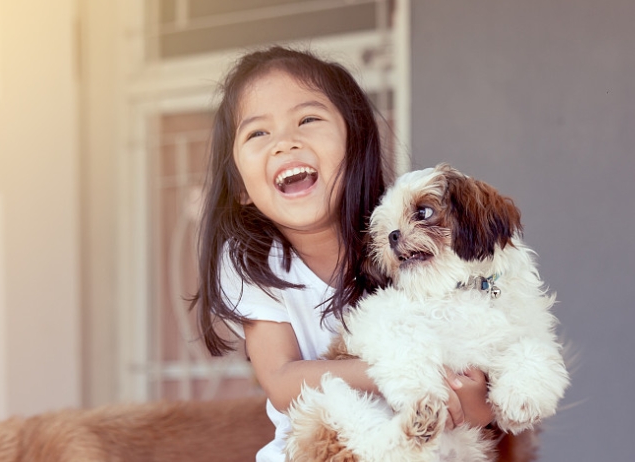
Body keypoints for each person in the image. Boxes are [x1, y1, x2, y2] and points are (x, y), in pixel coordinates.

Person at [191, 46, 494, 461]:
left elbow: (476, 406)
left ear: (356, 146)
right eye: (258, 133)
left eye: (308, 119)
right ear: (241, 187)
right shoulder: (251, 259)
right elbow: (281, 382)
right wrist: (398, 373)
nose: (285, 143)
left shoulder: (405, 241)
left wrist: (466, 391)